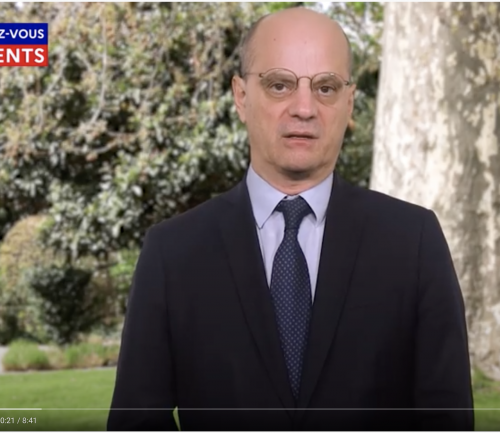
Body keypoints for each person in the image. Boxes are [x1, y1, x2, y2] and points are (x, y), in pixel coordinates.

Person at [108, 6, 474, 431]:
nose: (304, 108)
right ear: (241, 96)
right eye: (280, 85)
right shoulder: (172, 253)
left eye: (325, 87)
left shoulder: (413, 242)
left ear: (349, 103)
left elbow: (447, 419)